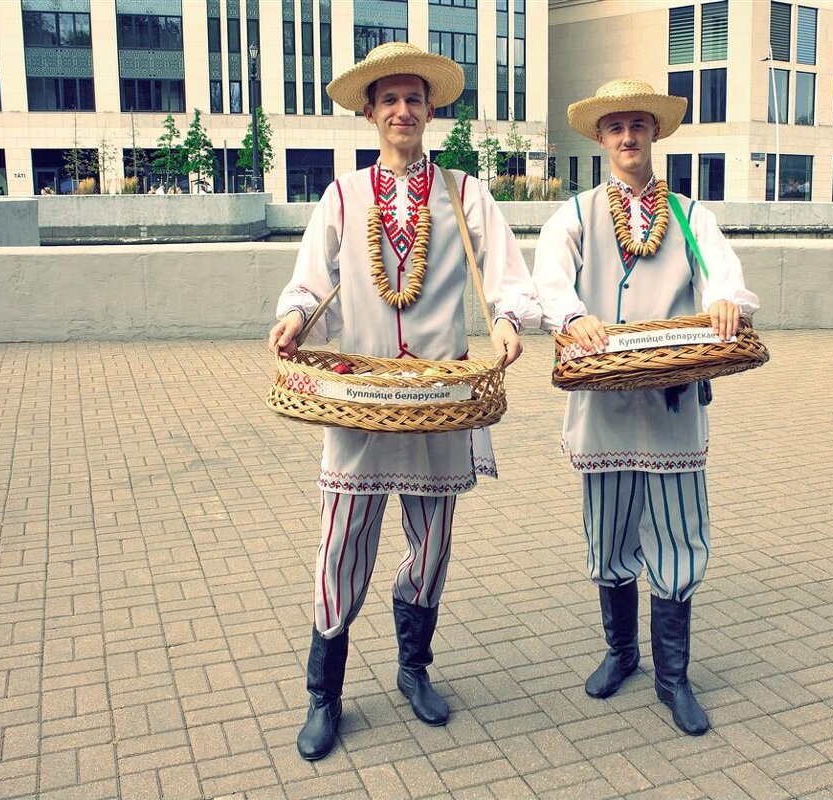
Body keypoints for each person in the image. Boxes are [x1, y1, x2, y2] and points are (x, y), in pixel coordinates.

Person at [266, 42, 540, 761]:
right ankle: (324, 695)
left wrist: (509, 320)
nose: (402, 110)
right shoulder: (342, 197)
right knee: (341, 546)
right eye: (387, 99)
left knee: (434, 545)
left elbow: (506, 274)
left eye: (413, 98)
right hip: (359, 398)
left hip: (442, 397)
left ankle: (413, 668)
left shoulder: (463, 193)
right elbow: (310, 280)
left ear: (429, 109)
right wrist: (295, 317)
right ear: (369, 113)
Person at [531, 79, 760, 736]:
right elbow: (550, 277)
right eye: (615, 128)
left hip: (672, 403)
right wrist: (572, 318)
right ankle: (621, 652)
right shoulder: (573, 214)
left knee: (680, 534)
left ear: (654, 134)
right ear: (601, 139)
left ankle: (673, 677)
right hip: (602, 407)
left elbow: (724, 274)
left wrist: (724, 302)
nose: (627, 137)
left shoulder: (692, 215)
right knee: (607, 537)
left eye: (638, 125)